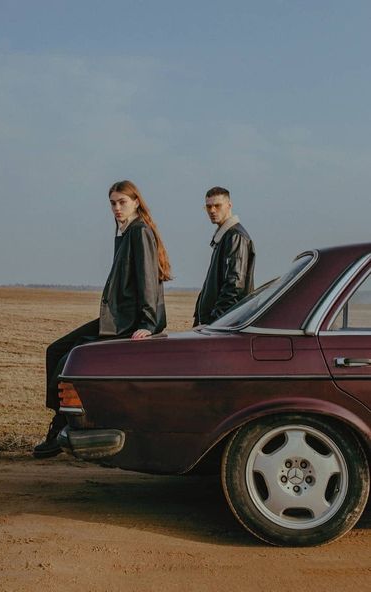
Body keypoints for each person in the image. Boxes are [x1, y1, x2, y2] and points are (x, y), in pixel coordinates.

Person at [34, 180, 171, 458]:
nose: (116, 208)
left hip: (128, 322)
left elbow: (147, 280)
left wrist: (147, 324)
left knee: (67, 362)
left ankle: (61, 428)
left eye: (122, 202)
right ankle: (58, 421)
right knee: (56, 350)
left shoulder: (139, 232)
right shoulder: (124, 232)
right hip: (115, 318)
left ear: (136, 202)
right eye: (112, 203)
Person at [194, 186, 255, 326]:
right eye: (208, 207)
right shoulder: (224, 236)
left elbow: (235, 286)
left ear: (229, 205)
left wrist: (214, 321)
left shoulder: (235, 236)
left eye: (217, 205)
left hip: (222, 325)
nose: (212, 210)